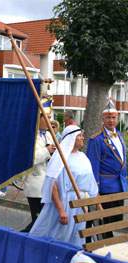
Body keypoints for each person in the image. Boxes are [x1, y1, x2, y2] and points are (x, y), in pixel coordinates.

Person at [30, 125, 98, 247]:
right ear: (71, 138)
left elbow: (90, 183)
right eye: (79, 136)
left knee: (77, 237)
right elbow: (53, 185)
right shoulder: (60, 159)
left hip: (80, 203)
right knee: (59, 236)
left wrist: (92, 202)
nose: (83, 138)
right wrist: (61, 210)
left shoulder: (83, 157)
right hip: (65, 202)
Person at [86, 100, 127, 239]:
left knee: (116, 220)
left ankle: (112, 246)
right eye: (108, 117)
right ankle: (104, 248)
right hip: (105, 187)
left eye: (114, 117)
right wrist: (95, 189)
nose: (111, 120)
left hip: (120, 185)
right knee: (105, 222)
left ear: (118, 118)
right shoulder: (96, 139)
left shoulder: (120, 135)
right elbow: (93, 166)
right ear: (102, 119)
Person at [21, 100, 55, 232]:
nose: (49, 121)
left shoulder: (48, 135)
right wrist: (47, 151)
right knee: (38, 221)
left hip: (49, 185)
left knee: (44, 221)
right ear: (38, 119)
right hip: (36, 186)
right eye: (46, 118)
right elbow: (29, 159)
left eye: (50, 118)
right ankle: (20, 239)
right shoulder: (29, 135)